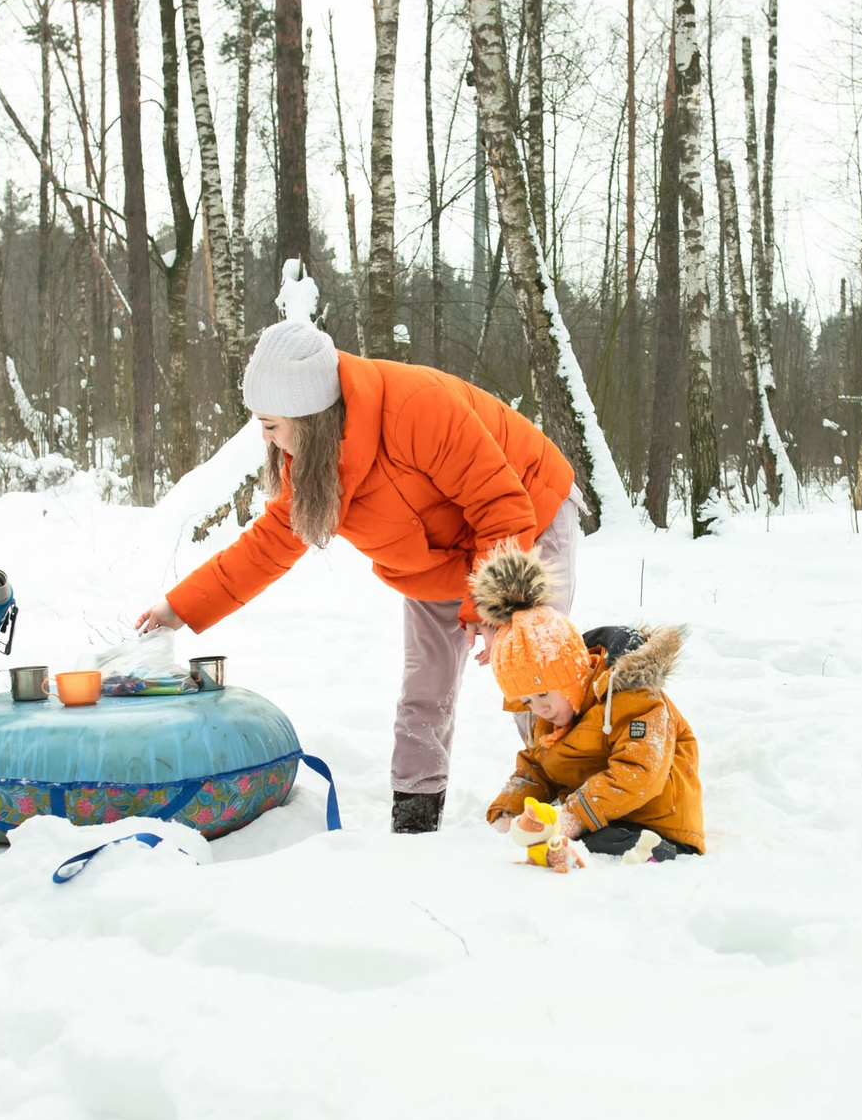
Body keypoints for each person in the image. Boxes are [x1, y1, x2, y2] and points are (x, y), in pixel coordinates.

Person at [134, 319, 581, 832]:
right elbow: (269, 545)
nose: (266, 436)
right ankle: (415, 813)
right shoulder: (313, 462)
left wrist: (490, 605)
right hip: (434, 556)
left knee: (533, 667)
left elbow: (501, 506)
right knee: (425, 682)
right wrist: (180, 608)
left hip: (527, 518)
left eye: (271, 423)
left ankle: (569, 802)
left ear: (311, 416)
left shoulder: (417, 407)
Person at [469, 544, 703, 871]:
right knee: (570, 838)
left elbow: (640, 771)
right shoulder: (554, 714)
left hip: (661, 820)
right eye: (528, 701)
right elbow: (537, 767)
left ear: (570, 678)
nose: (539, 710)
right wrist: (509, 811)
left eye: (543, 695)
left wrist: (573, 815)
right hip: (607, 817)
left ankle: (650, 859)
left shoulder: (633, 697)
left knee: (594, 840)